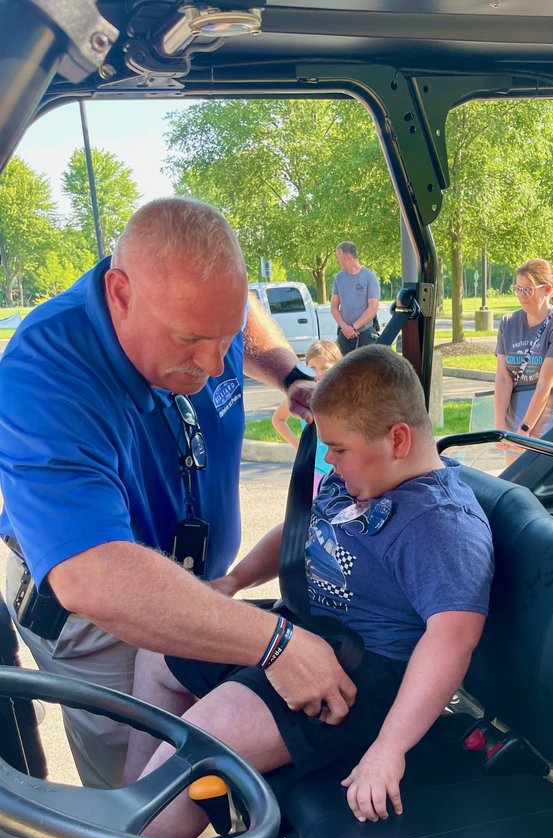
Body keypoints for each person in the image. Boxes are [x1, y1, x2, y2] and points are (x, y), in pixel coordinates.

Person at [52, 345, 493, 838]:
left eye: (339, 449)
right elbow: (298, 531)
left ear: (398, 438)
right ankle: (132, 815)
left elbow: (450, 643)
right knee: (159, 654)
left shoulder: (439, 524)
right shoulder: (364, 477)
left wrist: (390, 750)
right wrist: (231, 584)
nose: (331, 462)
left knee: (209, 735)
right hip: (299, 636)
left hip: (360, 684)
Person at [0, 198, 357, 794]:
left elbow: (239, 312)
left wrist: (289, 374)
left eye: (226, 339)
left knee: (200, 771)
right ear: (120, 294)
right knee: (137, 799)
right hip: (102, 613)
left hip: (196, 586)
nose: (217, 364)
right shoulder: (44, 375)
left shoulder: (201, 311)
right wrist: (276, 644)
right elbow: (91, 575)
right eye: (191, 340)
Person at [493, 258, 553, 440]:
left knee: (541, 468)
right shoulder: (508, 323)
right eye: (518, 289)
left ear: (547, 289)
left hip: (550, 419)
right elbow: (503, 378)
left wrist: (525, 429)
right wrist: (500, 428)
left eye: (528, 290)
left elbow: (545, 384)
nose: (521, 296)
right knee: (514, 469)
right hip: (514, 417)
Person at [271, 338, 341, 492]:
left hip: (341, 469)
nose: (318, 373)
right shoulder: (303, 395)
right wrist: (299, 445)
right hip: (314, 469)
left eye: (325, 368)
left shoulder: (344, 396)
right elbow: (278, 419)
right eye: (312, 367)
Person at [330, 242, 381, 355]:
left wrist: (354, 327)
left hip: (365, 334)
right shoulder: (338, 278)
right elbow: (334, 307)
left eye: (338, 256)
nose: (337, 260)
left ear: (347, 256)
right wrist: (346, 328)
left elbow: (373, 308)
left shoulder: (369, 276)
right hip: (344, 335)